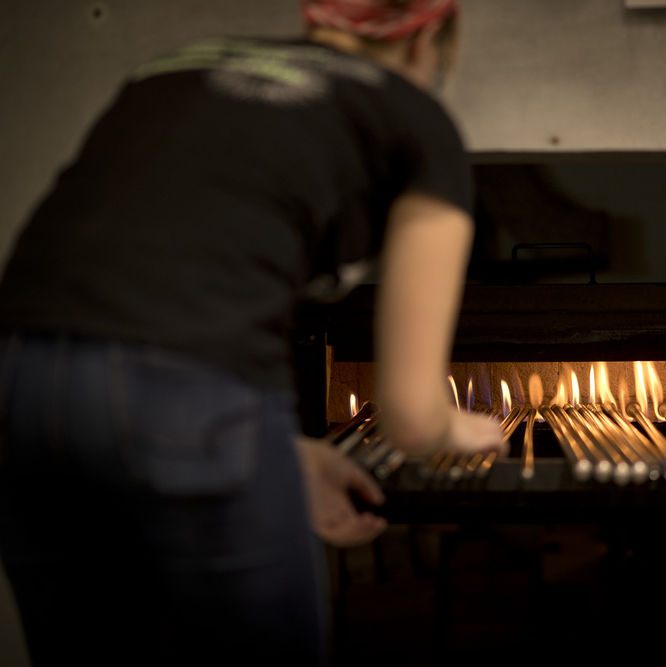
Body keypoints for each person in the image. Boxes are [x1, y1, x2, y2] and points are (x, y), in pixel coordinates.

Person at [0, 0, 503, 664]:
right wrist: (467, 425)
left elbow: (117, 332)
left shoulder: (173, 68)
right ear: (427, 39)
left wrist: (286, 454)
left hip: (19, 387)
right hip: (192, 396)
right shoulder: (415, 116)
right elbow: (413, 418)